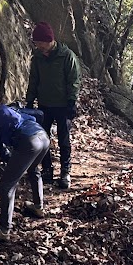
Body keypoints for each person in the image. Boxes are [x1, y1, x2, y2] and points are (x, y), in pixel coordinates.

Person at [0, 103, 49, 242]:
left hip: (29, 142)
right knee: (33, 169)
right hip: (43, 136)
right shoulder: (11, 109)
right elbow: (38, 114)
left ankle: (3, 230)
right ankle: (38, 207)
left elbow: (3, 151)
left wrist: (11, 162)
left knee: (7, 185)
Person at [25, 22, 81, 190]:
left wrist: (72, 101)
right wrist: (30, 100)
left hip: (63, 106)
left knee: (64, 139)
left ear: (49, 40)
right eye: (37, 43)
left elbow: (74, 80)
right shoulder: (38, 58)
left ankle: (65, 172)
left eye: (40, 43)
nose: (38, 46)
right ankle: (47, 170)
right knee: (43, 139)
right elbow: (34, 80)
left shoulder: (67, 56)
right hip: (44, 105)